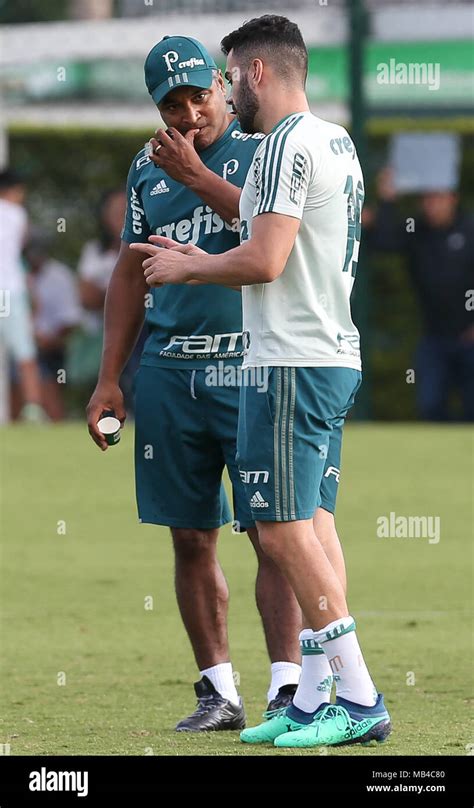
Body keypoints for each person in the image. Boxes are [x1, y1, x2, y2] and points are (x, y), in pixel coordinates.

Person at [132, 15, 392, 748]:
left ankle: (361, 695)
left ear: (251, 73)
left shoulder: (279, 144)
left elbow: (264, 257)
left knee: (277, 527)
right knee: (311, 523)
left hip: (290, 357)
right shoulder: (334, 138)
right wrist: (202, 185)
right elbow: (267, 223)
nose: (224, 98)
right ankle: (312, 696)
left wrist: (187, 266)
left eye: (228, 77)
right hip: (334, 351)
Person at [87, 35, 302, 732]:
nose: (188, 113)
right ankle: (219, 691)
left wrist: (195, 175)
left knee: (273, 530)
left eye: (198, 95)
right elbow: (130, 270)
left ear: (220, 82)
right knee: (189, 535)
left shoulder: (264, 146)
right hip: (171, 370)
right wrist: (108, 378)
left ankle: (287, 689)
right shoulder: (145, 169)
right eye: (171, 103)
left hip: (253, 360)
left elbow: (274, 236)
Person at [364, 168, 474, 421]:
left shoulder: (470, 229)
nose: (432, 205)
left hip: (470, 338)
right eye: (427, 198)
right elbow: (383, 241)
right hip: (434, 337)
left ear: (452, 198)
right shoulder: (416, 230)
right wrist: (387, 199)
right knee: (431, 406)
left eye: (438, 197)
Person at [0, 169, 46, 423]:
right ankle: (33, 409)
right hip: (9, 290)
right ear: (15, 190)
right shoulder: (18, 214)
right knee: (25, 354)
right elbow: (21, 248)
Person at [24, 231, 82, 421]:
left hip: (50, 346)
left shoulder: (59, 276)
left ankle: (54, 421)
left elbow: (70, 320)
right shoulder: (16, 275)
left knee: (49, 387)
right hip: (20, 345)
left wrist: (47, 341)